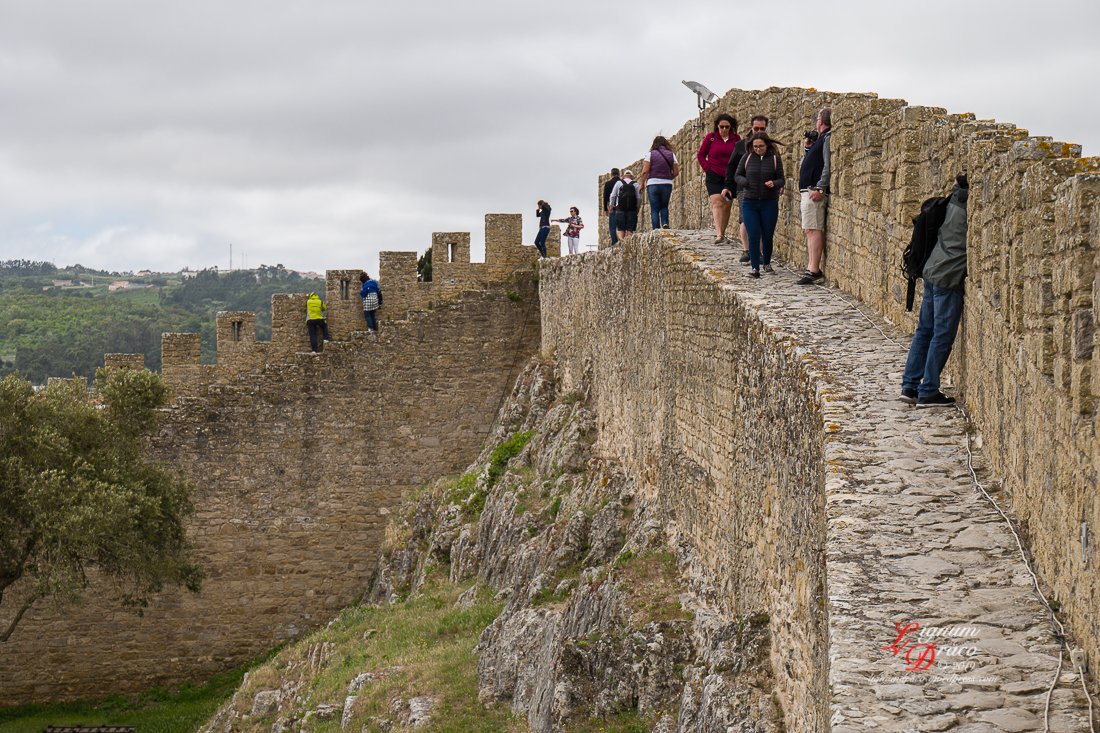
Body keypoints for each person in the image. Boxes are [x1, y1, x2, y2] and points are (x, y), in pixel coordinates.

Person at [900, 175, 969, 407]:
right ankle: (928, 390)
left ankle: (909, 386)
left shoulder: (951, 202)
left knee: (924, 331)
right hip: (947, 278)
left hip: (931, 271)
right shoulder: (968, 211)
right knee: (941, 335)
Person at [734, 132, 785, 278]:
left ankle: (767, 263)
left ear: (767, 145)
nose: (758, 149)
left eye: (761, 146)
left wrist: (774, 183)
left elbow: (781, 179)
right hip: (749, 202)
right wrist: (746, 183)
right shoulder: (747, 157)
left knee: (767, 235)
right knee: (754, 235)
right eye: (755, 146)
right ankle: (755, 268)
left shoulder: (775, 159)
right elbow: (737, 175)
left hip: (769, 202)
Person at [723, 115, 770, 263]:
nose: (758, 131)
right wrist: (728, 186)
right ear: (751, 127)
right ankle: (746, 250)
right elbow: (731, 167)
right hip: (744, 188)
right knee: (745, 218)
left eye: (762, 128)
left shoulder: (769, 147)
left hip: (764, 189)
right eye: (756, 128)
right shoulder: (741, 145)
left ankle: (760, 252)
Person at [796, 106, 833, 285]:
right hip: (807, 191)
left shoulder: (827, 137)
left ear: (820, 121)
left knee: (813, 229)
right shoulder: (820, 140)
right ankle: (811, 267)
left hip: (814, 191)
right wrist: (808, 149)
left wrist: (820, 188)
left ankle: (813, 269)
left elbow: (827, 165)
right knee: (809, 229)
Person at [697, 113, 740, 244]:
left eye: (727, 127)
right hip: (714, 175)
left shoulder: (736, 139)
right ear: (717, 126)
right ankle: (719, 235)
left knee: (727, 204)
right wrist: (707, 169)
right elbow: (700, 155)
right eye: (722, 127)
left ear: (731, 127)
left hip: (730, 177)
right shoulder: (711, 138)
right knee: (717, 203)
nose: (724, 129)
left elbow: (740, 156)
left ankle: (723, 232)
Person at [639, 136, 680, 231]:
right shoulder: (671, 154)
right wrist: (669, 177)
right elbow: (676, 172)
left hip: (653, 184)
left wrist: (641, 183)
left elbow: (645, 171)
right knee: (664, 206)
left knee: (654, 208)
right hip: (667, 183)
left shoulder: (650, 154)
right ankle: (665, 223)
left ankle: (656, 229)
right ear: (666, 144)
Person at [609, 169, 641, 241]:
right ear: (632, 177)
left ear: (623, 176)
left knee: (620, 228)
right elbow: (639, 198)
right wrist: (637, 207)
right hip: (632, 209)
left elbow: (613, 195)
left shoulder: (618, 183)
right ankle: (629, 246)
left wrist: (611, 206)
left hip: (620, 208)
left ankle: (622, 245)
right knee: (630, 229)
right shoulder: (636, 184)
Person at [602, 168, 621, 247]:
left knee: (612, 226)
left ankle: (614, 243)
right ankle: (623, 241)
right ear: (619, 174)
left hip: (612, 207)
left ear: (611, 174)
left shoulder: (608, 183)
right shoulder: (622, 182)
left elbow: (605, 197)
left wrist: (605, 209)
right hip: (621, 206)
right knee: (621, 225)